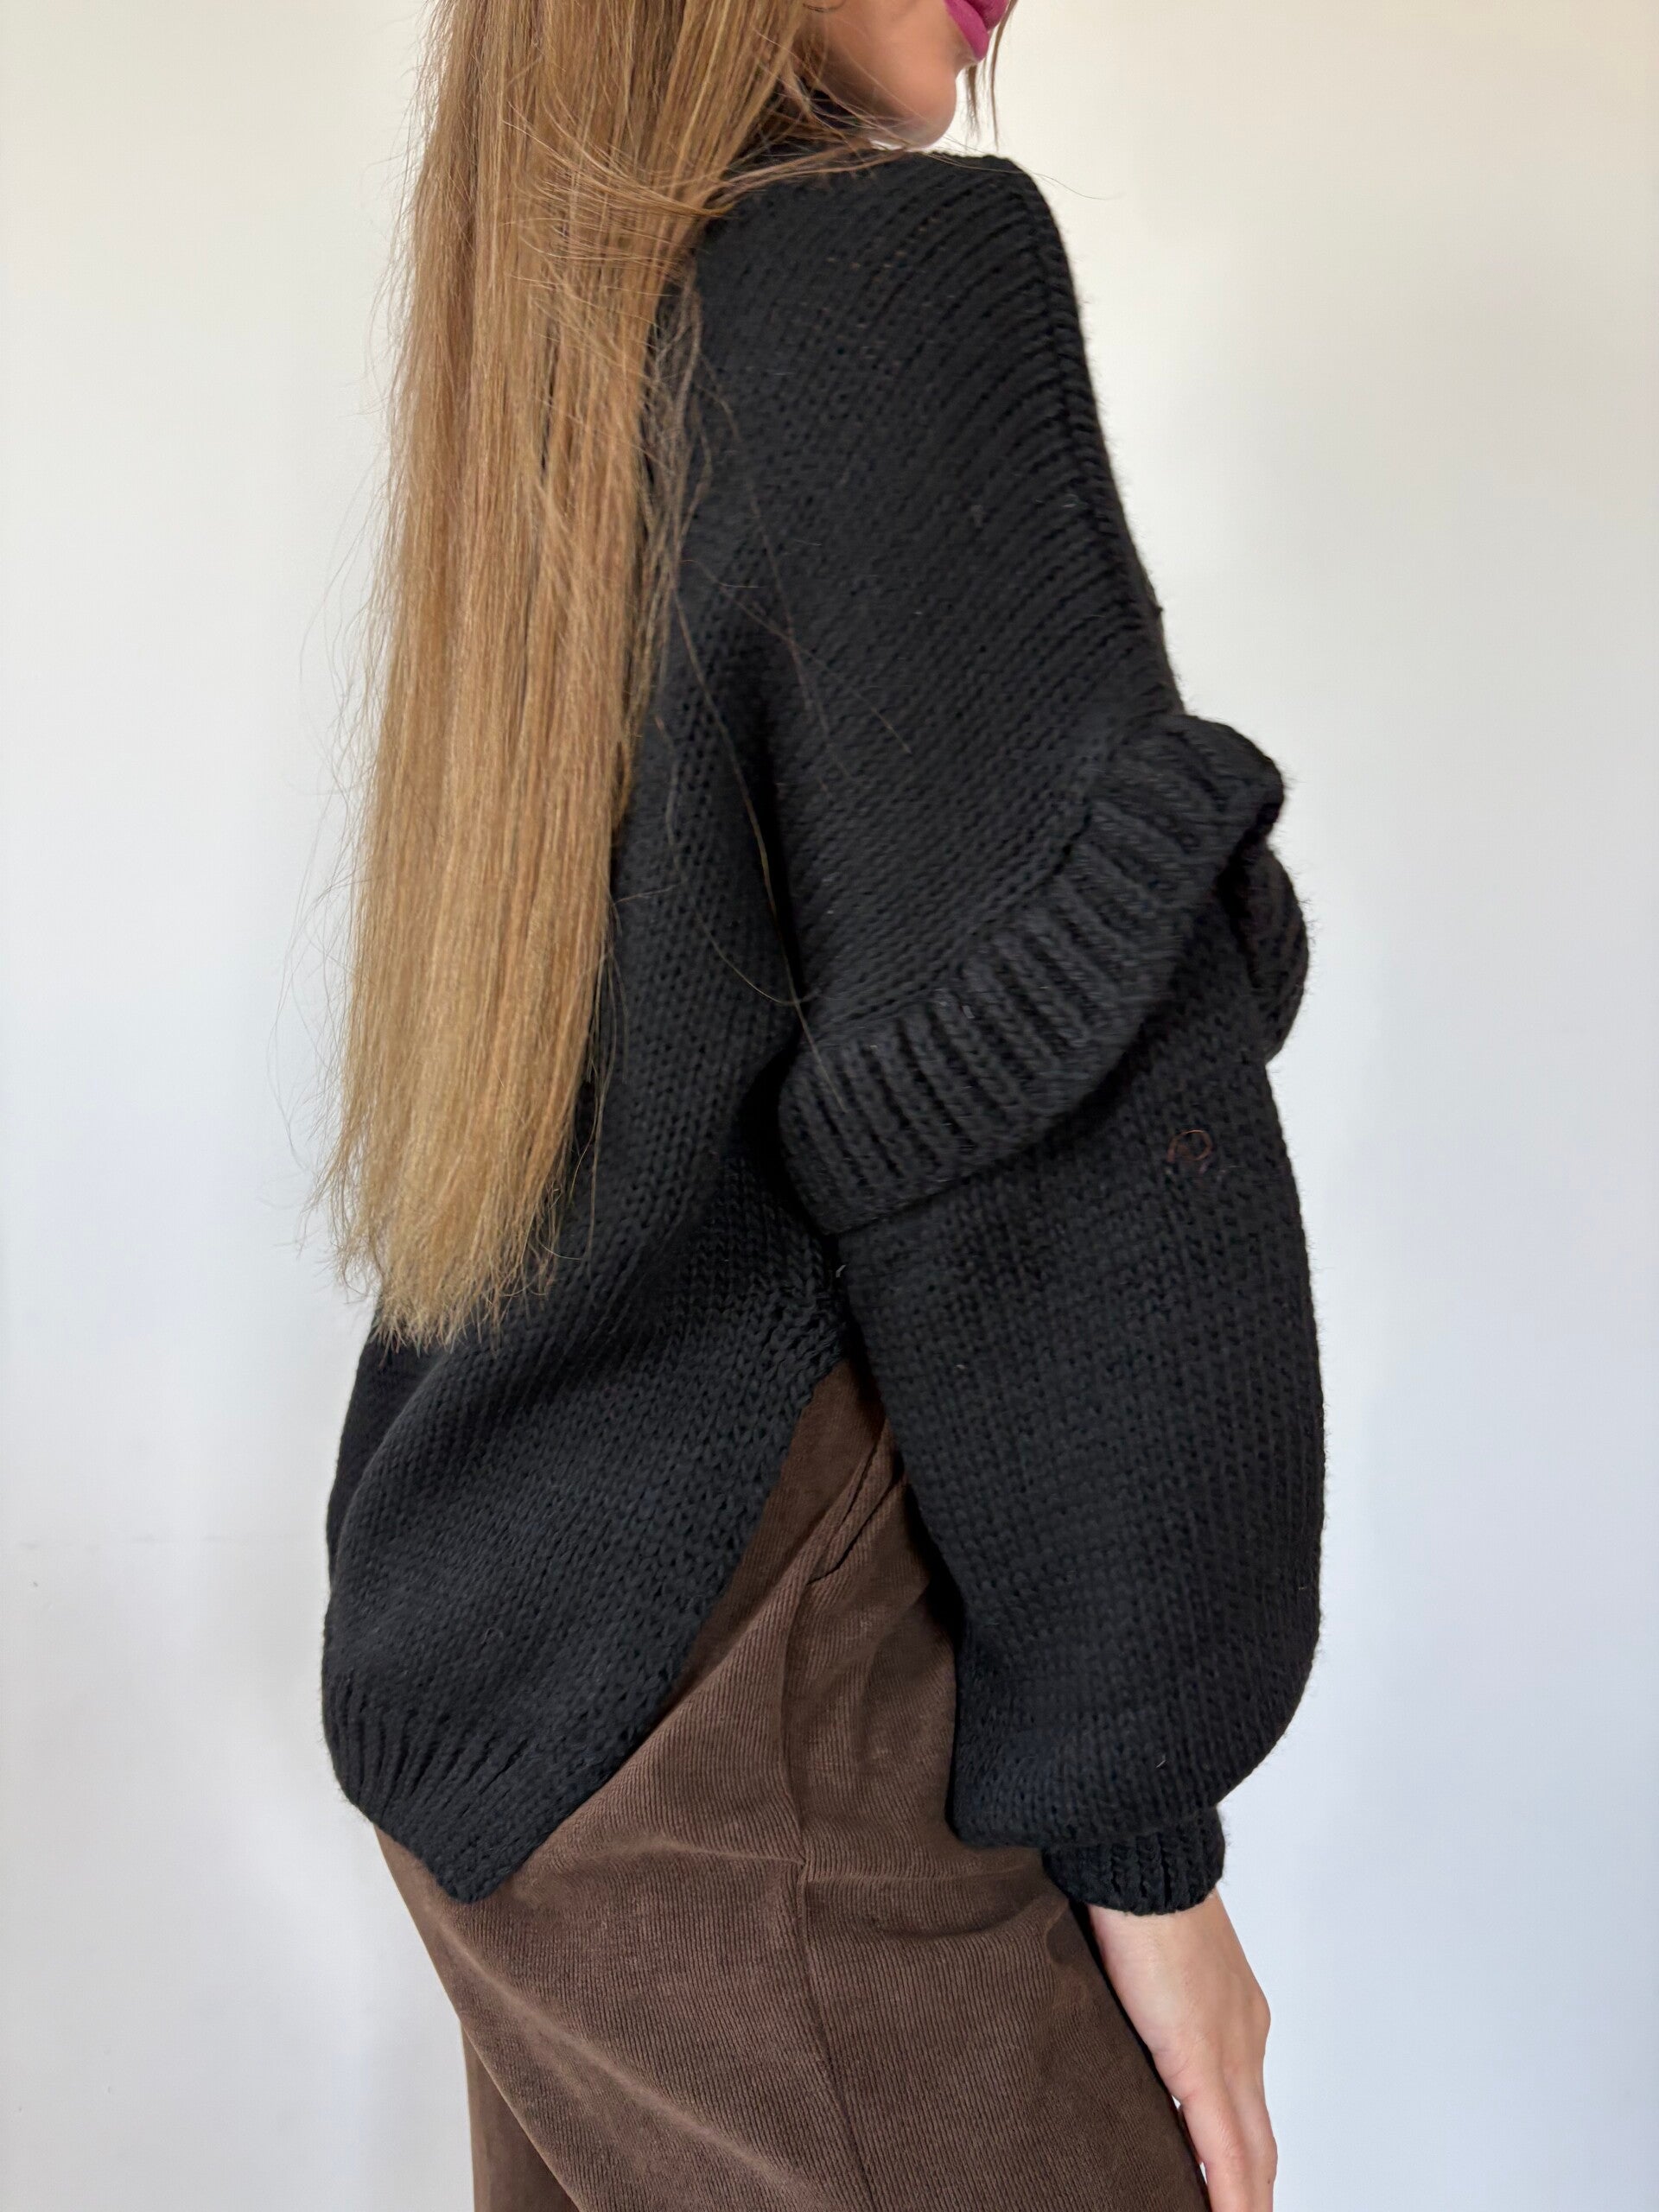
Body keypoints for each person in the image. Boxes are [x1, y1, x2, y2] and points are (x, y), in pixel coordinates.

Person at [316, 0, 1325, 2206]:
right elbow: (1065, 1124)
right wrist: (1149, 1846)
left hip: (515, 1708)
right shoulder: (892, 282)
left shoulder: (572, 349)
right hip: (764, 1737)